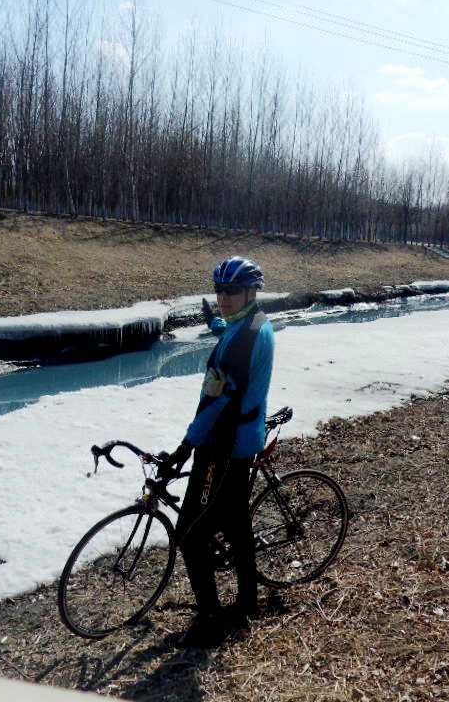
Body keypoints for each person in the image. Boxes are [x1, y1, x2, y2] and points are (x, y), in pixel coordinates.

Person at [158, 256, 275, 648]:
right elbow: (233, 332)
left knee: (191, 535)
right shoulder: (252, 323)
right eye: (219, 291)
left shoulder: (246, 337)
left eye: (232, 291)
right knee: (236, 525)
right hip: (238, 438)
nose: (224, 298)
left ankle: (211, 619)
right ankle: (247, 604)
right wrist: (214, 324)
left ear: (250, 292)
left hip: (225, 443)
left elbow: (216, 403)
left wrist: (185, 446)